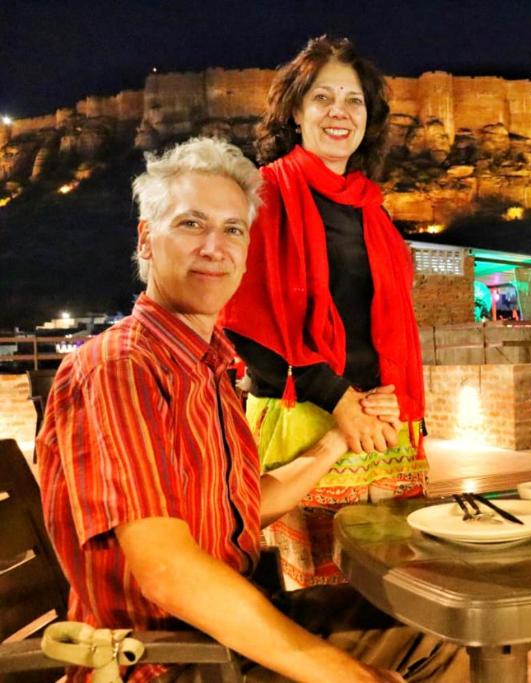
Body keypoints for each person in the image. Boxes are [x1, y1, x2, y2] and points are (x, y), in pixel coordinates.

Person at [35, 137, 464, 683]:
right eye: (191, 224)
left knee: (440, 621)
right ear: (146, 239)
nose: (216, 246)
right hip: (168, 662)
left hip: (217, 637)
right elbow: (168, 573)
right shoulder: (122, 368)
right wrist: (345, 676)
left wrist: (339, 437)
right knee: (432, 648)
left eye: (233, 229)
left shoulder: (204, 366)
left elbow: (241, 507)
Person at [220, 37, 429, 588]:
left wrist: (386, 394)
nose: (340, 112)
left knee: (400, 602)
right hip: (303, 427)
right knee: (319, 608)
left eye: (354, 100)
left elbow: (382, 328)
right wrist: (342, 403)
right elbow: (243, 324)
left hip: (382, 429)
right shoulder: (265, 196)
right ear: (295, 110)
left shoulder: (371, 208)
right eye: (322, 98)